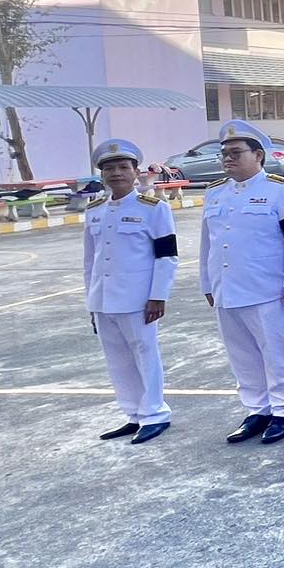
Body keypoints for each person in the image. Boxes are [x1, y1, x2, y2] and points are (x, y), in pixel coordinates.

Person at [199, 120, 284, 444]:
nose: (228, 159)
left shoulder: (281, 190)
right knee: (241, 354)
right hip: (227, 287)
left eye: (236, 153)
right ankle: (257, 409)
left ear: (258, 155)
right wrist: (207, 284)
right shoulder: (215, 192)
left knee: (277, 351)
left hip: (268, 289)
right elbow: (207, 243)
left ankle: (283, 410)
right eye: (224, 154)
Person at [82, 138, 178, 444]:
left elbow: (167, 256)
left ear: (136, 172)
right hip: (103, 298)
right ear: (102, 174)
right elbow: (90, 260)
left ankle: (155, 414)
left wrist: (158, 296)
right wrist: (91, 300)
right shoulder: (95, 210)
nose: (116, 173)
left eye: (123, 167)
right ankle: (134, 414)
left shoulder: (154, 209)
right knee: (117, 360)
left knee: (145, 355)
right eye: (109, 169)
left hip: (138, 298)